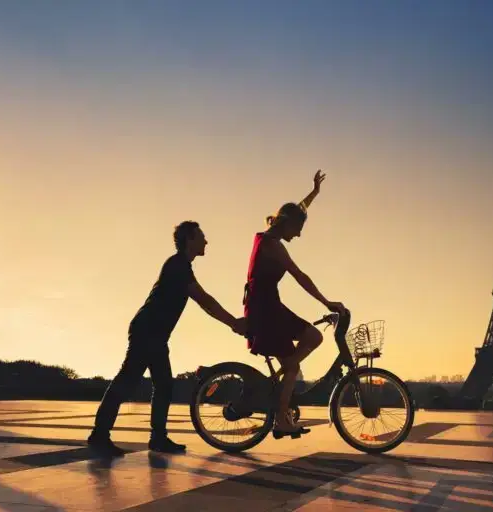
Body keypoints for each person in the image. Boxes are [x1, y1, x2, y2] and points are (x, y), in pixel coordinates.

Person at [88, 221, 247, 456]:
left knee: (163, 385)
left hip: (156, 334)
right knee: (128, 381)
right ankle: (99, 435)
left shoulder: (182, 265)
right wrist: (233, 322)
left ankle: (157, 438)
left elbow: (205, 302)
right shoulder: (178, 265)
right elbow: (205, 301)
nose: (206, 241)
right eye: (201, 236)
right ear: (189, 239)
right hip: (147, 330)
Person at [243, 170, 346, 436]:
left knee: (303, 350)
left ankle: (282, 390)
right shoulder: (273, 245)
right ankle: (281, 419)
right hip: (265, 310)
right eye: (298, 230)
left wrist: (313, 193)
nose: (298, 235)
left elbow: (295, 210)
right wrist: (326, 302)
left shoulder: (269, 234)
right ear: (286, 225)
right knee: (305, 348)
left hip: (267, 305)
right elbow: (299, 276)